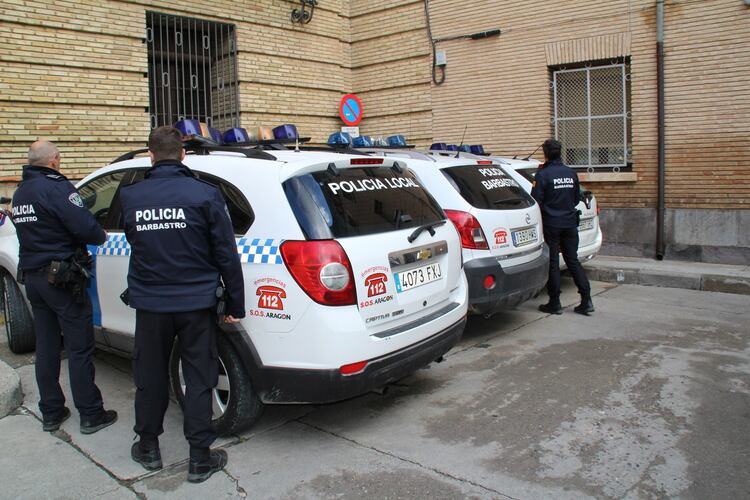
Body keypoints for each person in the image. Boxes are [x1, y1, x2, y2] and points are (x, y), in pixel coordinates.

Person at [119, 126, 245, 484]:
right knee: (199, 376)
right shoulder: (204, 194)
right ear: (183, 154)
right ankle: (199, 459)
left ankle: (148, 447)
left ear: (150, 154)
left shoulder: (131, 196)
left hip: (152, 303)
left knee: (150, 375)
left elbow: (135, 239)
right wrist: (235, 301)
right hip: (196, 304)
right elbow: (225, 253)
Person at [12, 140, 118, 433]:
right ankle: (91, 413)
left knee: (46, 347)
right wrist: (99, 234)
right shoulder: (57, 188)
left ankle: (51, 412)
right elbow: (88, 229)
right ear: (55, 160)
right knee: (79, 347)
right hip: (61, 279)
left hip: (34, 277)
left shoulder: (21, 192)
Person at [531, 138, 594, 316]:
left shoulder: (542, 175)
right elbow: (576, 199)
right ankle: (586, 300)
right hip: (569, 222)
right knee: (572, 260)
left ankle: (555, 302)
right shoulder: (570, 173)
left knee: (553, 262)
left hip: (552, 224)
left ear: (545, 153)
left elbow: (536, 201)